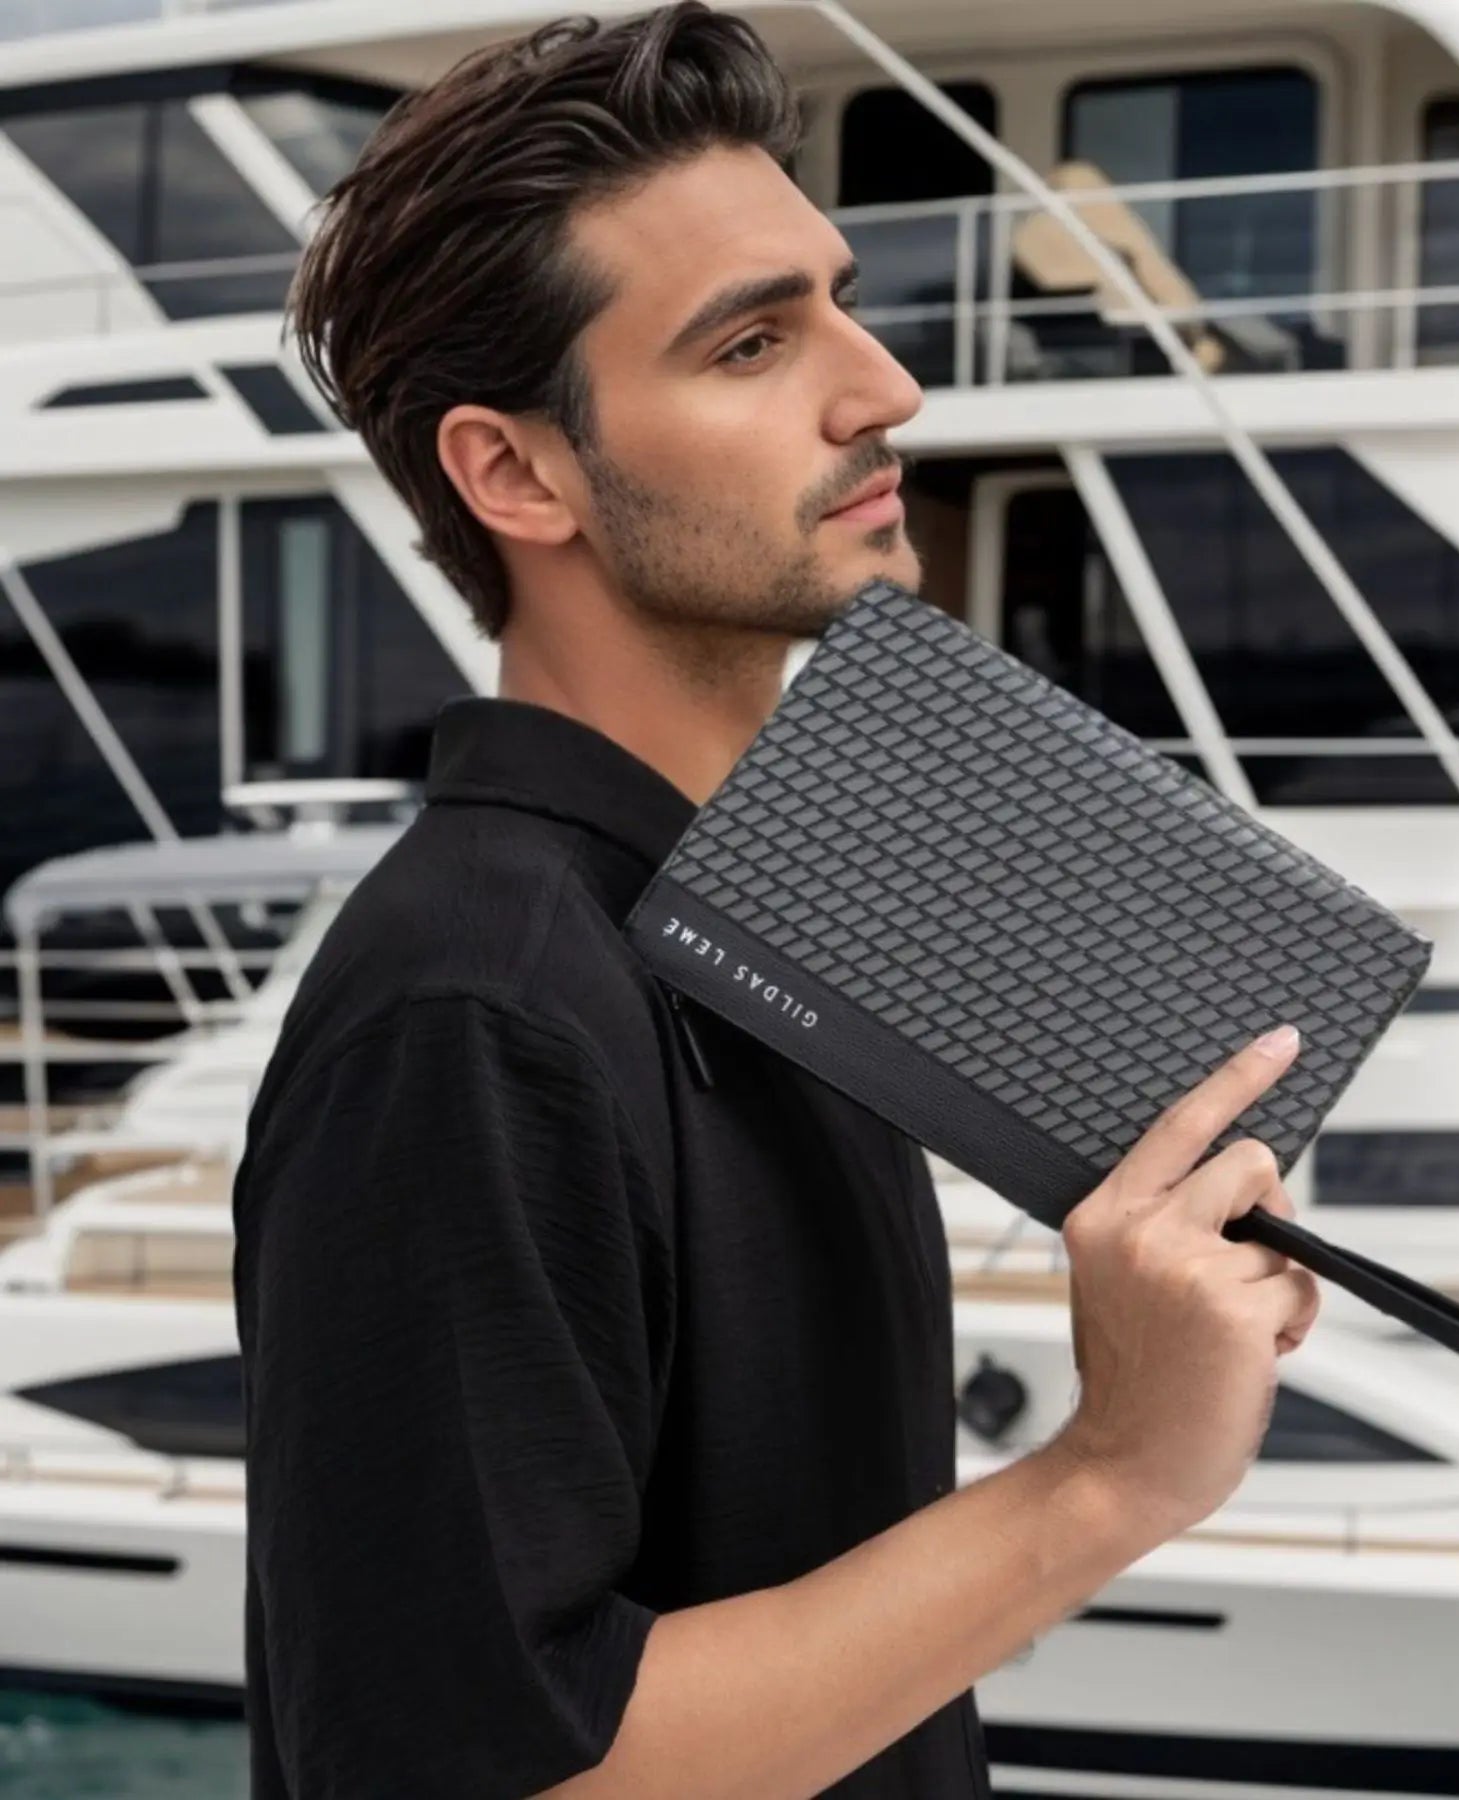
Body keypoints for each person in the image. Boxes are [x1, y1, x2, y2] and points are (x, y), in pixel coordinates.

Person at [231, 7, 1320, 1797]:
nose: (883, 386)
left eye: (839, 300)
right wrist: (1110, 1475)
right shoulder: (477, 1005)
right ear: (517, 474)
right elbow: (491, 1770)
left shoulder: (745, 923)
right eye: (750, 342)